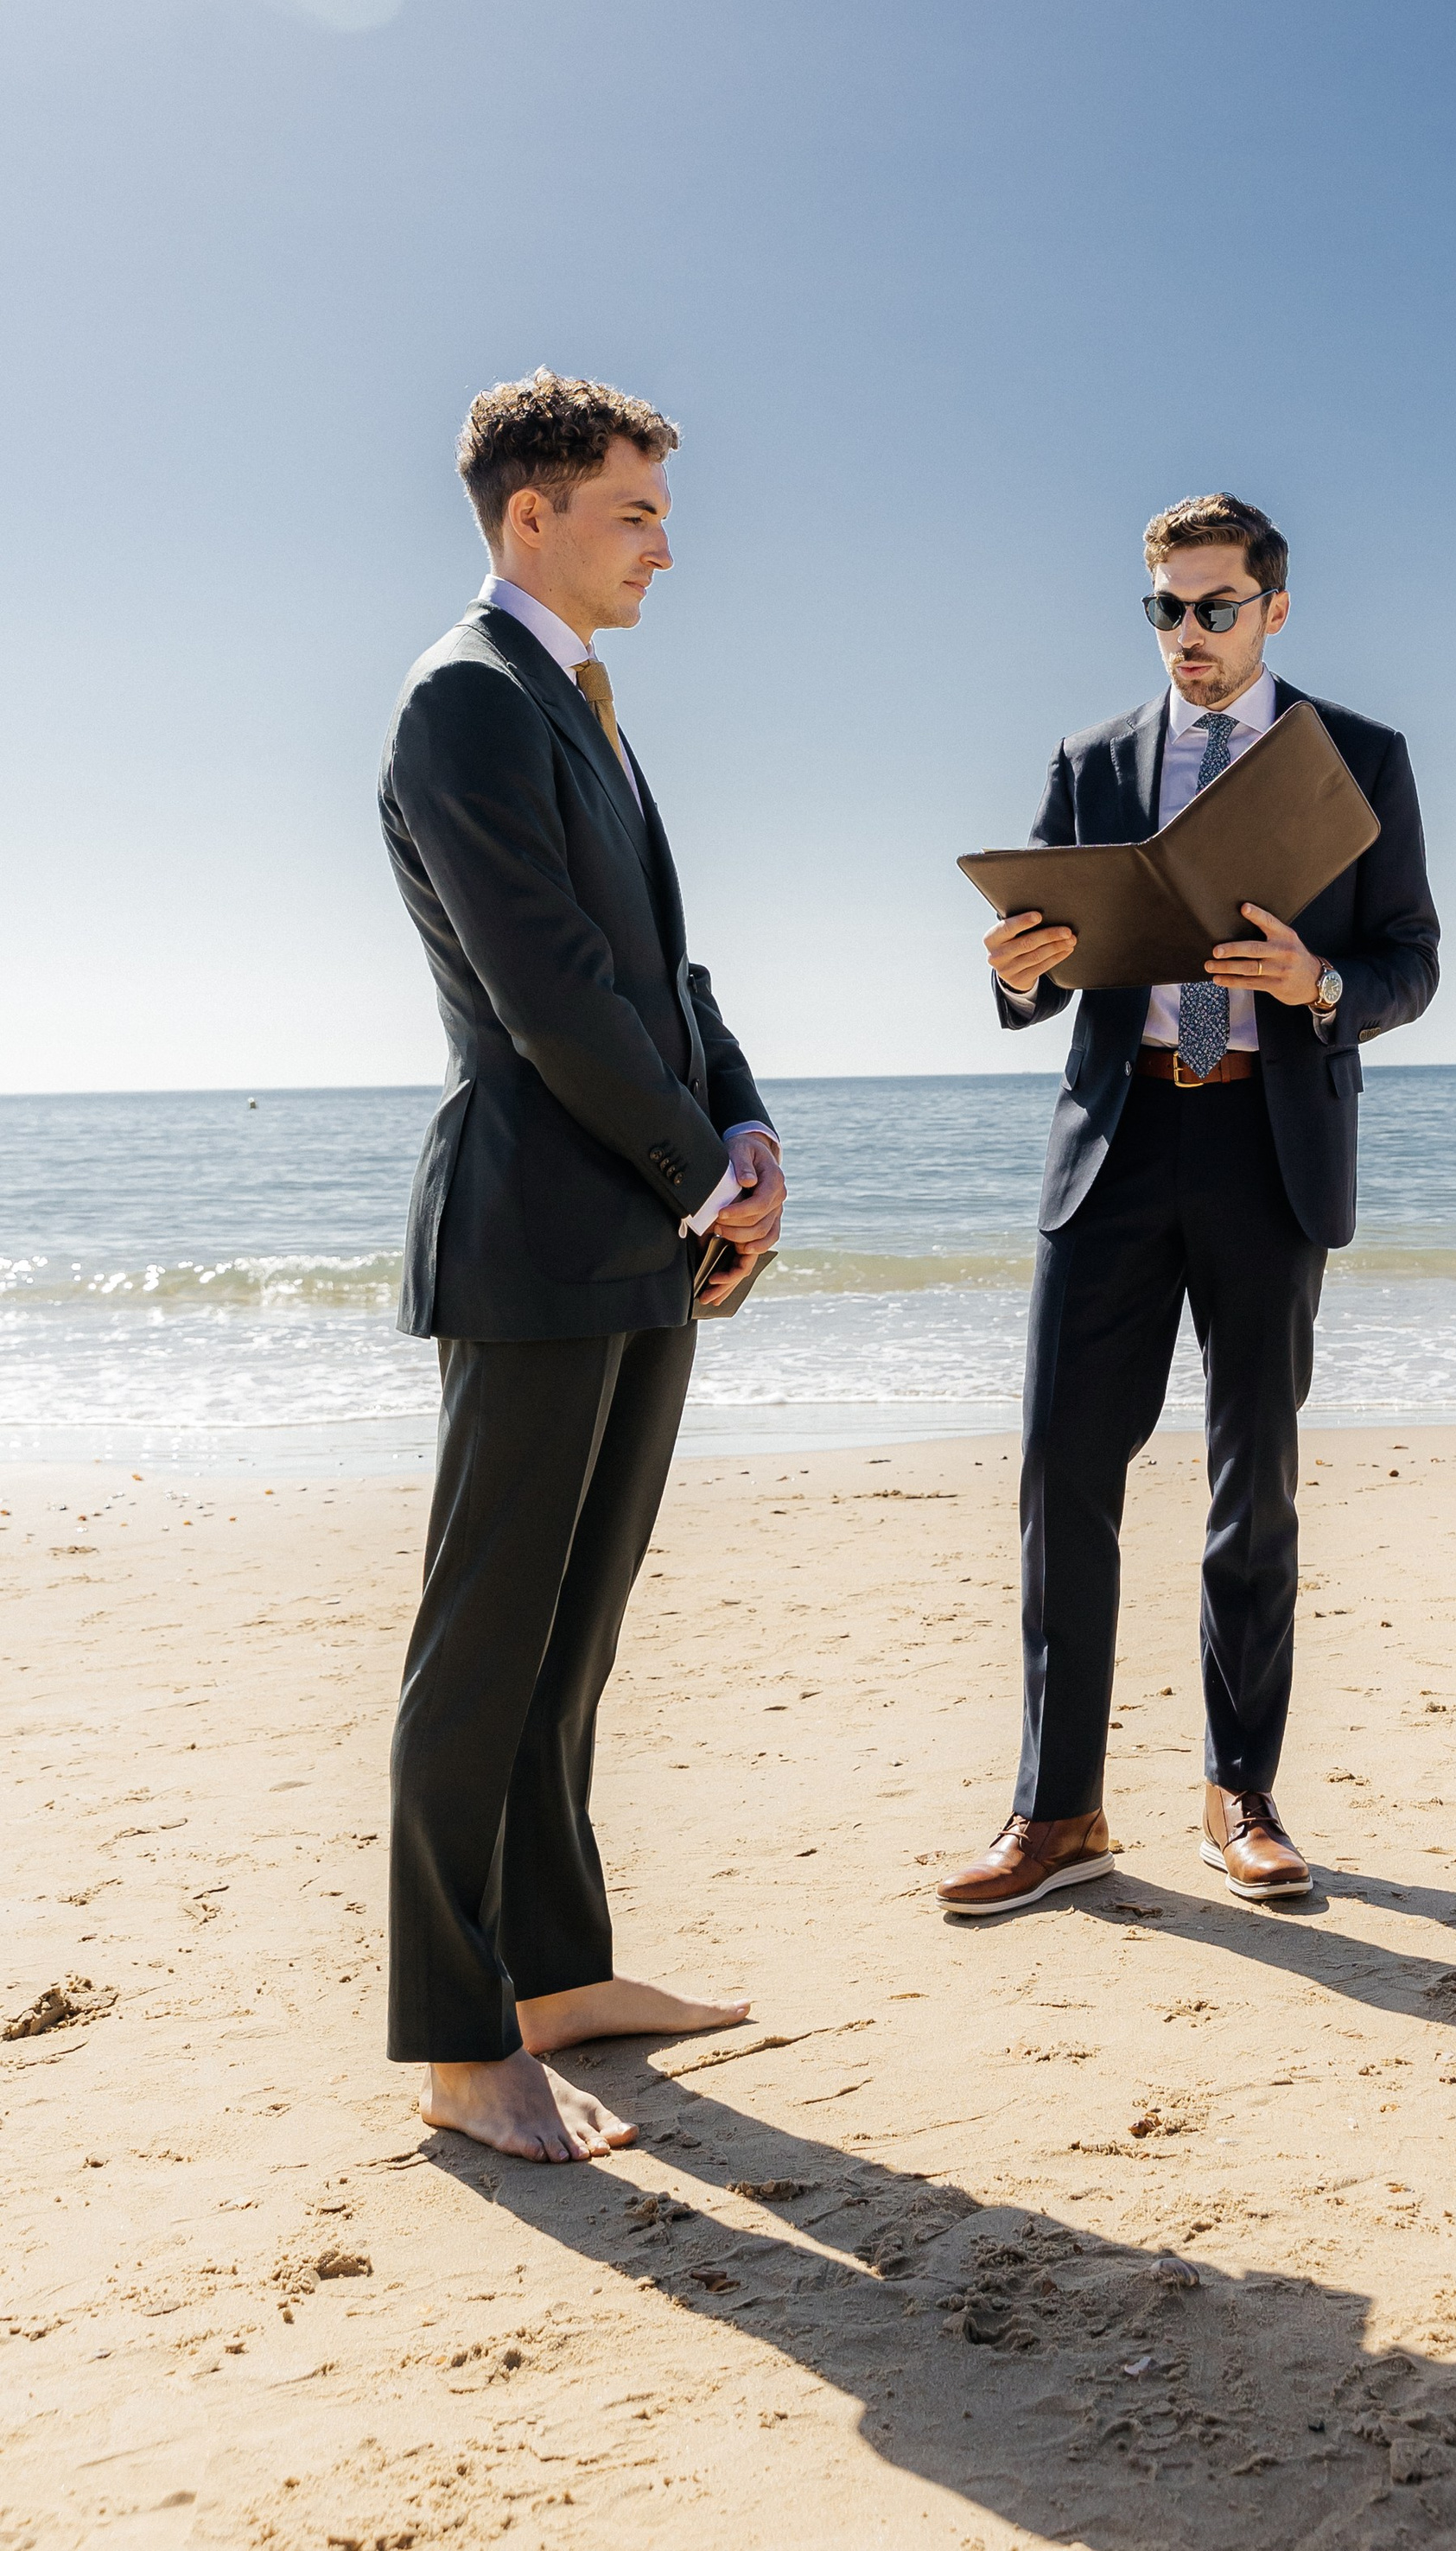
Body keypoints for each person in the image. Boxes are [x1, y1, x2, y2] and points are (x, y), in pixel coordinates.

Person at [379, 369, 785, 2161]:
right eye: (635, 511)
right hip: (538, 1231)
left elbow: (664, 981)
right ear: (529, 510)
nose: (664, 545)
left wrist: (747, 1137)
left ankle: (556, 1971)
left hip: (636, 1226)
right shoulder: (465, 701)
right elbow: (546, 995)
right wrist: (702, 1174)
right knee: (481, 1652)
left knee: (574, 1641)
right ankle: (461, 2040)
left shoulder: (579, 703)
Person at [937, 493, 1440, 1918]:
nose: (1190, 636)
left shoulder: (1362, 760)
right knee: (1062, 1474)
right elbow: (1023, 983)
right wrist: (1022, 964)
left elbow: (1410, 957)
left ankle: (1241, 1793)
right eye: (1166, 608)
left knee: (1251, 1485)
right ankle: (1058, 1810)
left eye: (1216, 608)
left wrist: (1322, 989)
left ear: (1276, 607)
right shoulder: (1093, 760)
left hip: (1268, 1142)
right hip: (1115, 1139)